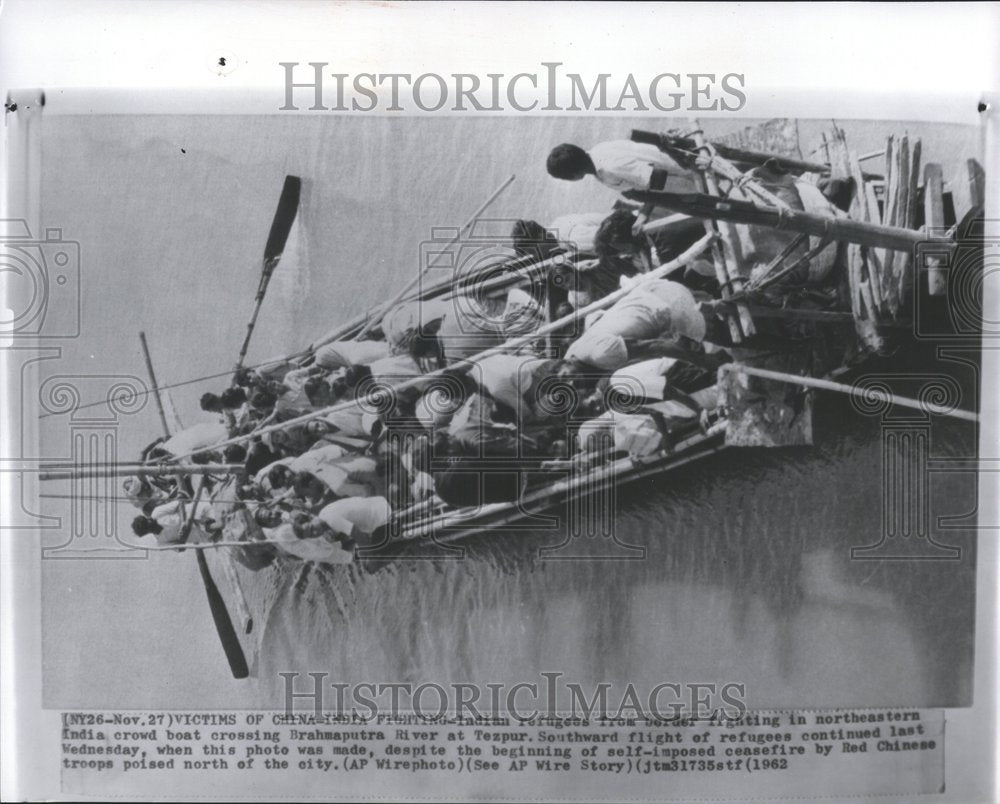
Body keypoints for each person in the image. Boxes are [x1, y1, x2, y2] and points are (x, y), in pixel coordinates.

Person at [564, 279, 709, 371]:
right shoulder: (573, 352)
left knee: (703, 341)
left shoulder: (600, 355)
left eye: (565, 377)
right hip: (647, 291)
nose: (572, 384)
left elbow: (657, 346)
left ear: (560, 365)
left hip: (668, 304)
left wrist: (700, 364)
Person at [546, 141, 698, 195]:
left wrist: (697, 192)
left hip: (687, 174)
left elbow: (659, 178)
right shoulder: (599, 150)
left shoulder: (609, 167)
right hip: (680, 165)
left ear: (573, 174)